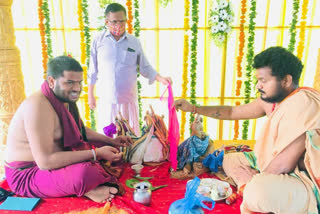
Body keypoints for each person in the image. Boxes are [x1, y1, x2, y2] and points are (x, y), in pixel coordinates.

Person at [174, 46, 320, 214]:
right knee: (229, 159)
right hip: (278, 167)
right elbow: (231, 112)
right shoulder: (271, 101)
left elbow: (283, 165)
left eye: (264, 81)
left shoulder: (303, 105)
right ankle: (250, 185)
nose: (258, 85)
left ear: (286, 81)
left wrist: (255, 179)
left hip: (305, 180)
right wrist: (193, 108)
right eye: (258, 80)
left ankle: (249, 187)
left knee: (258, 191)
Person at [4, 56, 133, 203]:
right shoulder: (37, 106)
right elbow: (45, 162)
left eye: (79, 82)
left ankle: (81, 186)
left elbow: (80, 131)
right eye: (70, 83)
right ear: (52, 82)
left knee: (103, 152)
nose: (77, 89)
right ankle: (86, 189)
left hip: (54, 162)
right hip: (27, 174)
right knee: (84, 172)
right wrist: (95, 154)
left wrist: (111, 141)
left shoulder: (63, 98)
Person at [88, 3, 172, 135]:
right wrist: (90, 95)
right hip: (107, 100)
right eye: (114, 21)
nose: (118, 24)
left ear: (127, 20)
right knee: (108, 137)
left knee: (129, 137)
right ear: (106, 21)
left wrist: (160, 78)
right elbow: (92, 70)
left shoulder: (133, 42)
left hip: (128, 99)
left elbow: (145, 66)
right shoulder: (98, 41)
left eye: (122, 21)